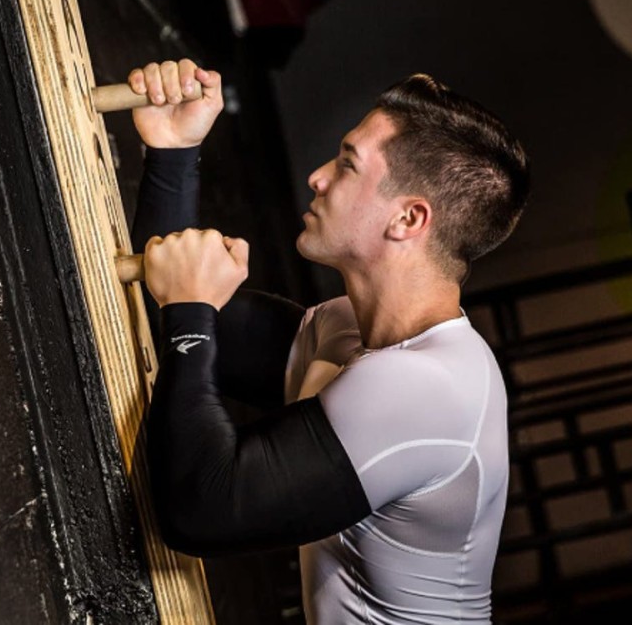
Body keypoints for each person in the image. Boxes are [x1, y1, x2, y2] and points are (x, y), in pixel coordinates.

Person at [127, 58, 529, 624]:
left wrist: (191, 310)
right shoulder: (357, 331)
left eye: (347, 165)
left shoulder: (430, 389)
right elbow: (170, 299)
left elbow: (201, 508)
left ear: (408, 219)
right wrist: (173, 149)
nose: (318, 177)